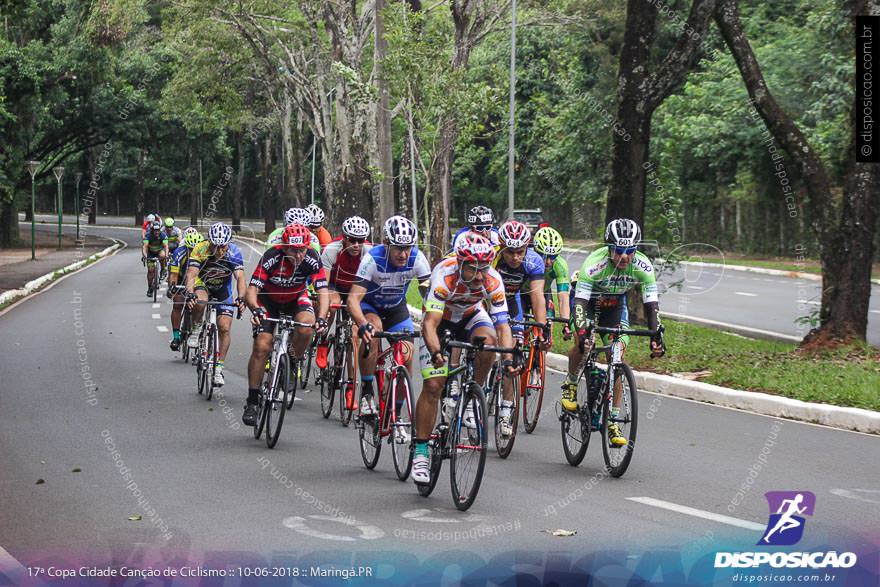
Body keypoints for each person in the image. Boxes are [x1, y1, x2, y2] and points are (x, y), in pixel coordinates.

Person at [412, 233, 517, 485]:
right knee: (433, 385)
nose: (480, 275)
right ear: (460, 263)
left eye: (484, 268)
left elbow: (503, 326)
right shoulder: (444, 276)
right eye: (473, 268)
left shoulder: (492, 279)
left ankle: (472, 396)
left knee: (490, 342)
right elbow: (429, 323)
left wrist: (509, 360)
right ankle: (421, 452)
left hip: (471, 315)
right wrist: (437, 353)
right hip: (441, 319)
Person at [562, 218, 665, 446]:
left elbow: (652, 304)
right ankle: (570, 384)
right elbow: (579, 303)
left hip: (616, 307)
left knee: (617, 356)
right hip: (589, 305)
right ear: (609, 248)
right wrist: (581, 331)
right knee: (585, 343)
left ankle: (613, 421)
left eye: (630, 251)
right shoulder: (594, 264)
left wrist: (656, 336)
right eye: (619, 251)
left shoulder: (642, 265)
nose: (625, 257)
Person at [244, 224, 330, 426]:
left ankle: (291, 362)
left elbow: (323, 291)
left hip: (295, 299)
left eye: (302, 250)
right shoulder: (272, 256)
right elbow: (252, 290)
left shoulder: (312, 258)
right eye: (294, 250)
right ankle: (253, 400)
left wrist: (323, 317)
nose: (299, 255)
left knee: (306, 326)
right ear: (284, 247)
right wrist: (255, 309)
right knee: (262, 346)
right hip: (268, 300)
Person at [347, 216, 430, 417]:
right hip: (370, 306)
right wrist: (362, 324)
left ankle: (397, 414)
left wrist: (432, 322)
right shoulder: (373, 259)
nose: (403, 254)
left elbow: (429, 296)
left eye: (407, 247)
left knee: (407, 354)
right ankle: (367, 393)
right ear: (386, 244)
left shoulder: (417, 258)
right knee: (372, 334)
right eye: (398, 248)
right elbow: (352, 300)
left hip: (396, 308)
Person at [492, 220, 548, 437]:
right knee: (484, 343)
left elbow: (537, 296)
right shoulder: (492, 257)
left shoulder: (534, 261)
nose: (516, 257)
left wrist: (542, 327)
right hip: (487, 299)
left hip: (511, 301)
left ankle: (506, 412)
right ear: (502, 248)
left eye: (520, 252)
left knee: (512, 354)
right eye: (511, 252)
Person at [318, 215, 372, 408]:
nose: (356, 244)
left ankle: (351, 387)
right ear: (344, 238)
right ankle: (323, 340)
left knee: (355, 338)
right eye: (352, 240)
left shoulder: (369, 252)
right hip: (335, 286)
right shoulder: (332, 250)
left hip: (356, 290)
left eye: (361, 240)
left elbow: (373, 283)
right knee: (331, 304)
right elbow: (322, 284)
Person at [185, 222, 247, 387]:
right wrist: (190, 292)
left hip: (222, 289)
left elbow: (240, 277)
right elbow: (191, 274)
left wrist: (241, 297)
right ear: (210, 243)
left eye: (223, 246)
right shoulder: (200, 248)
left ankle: (218, 368)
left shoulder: (233, 251)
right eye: (216, 246)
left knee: (224, 327)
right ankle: (196, 329)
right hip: (203, 284)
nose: (220, 251)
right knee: (200, 301)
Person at [167, 227, 203, 351]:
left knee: (199, 303)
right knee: (177, 303)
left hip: (198, 280)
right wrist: (172, 287)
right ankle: (176, 337)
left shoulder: (205, 252)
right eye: (191, 249)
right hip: (182, 278)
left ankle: (196, 330)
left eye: (196, 248)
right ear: (186, 246)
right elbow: (174, 275)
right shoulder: (179, 252)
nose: (194, 251)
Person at [141, 221, 168, 297]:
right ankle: (150, 288)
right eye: (155, 230)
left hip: (159, 251)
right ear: (152, 230)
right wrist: (145, 256)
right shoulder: (147, 236)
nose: (157, 232)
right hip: (150, 253)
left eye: (158, 230)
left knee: (163, 255)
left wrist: (166, 255)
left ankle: (163, 269)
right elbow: (145, 247)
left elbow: (166, 246)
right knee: (150, 271)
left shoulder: (163, 235)